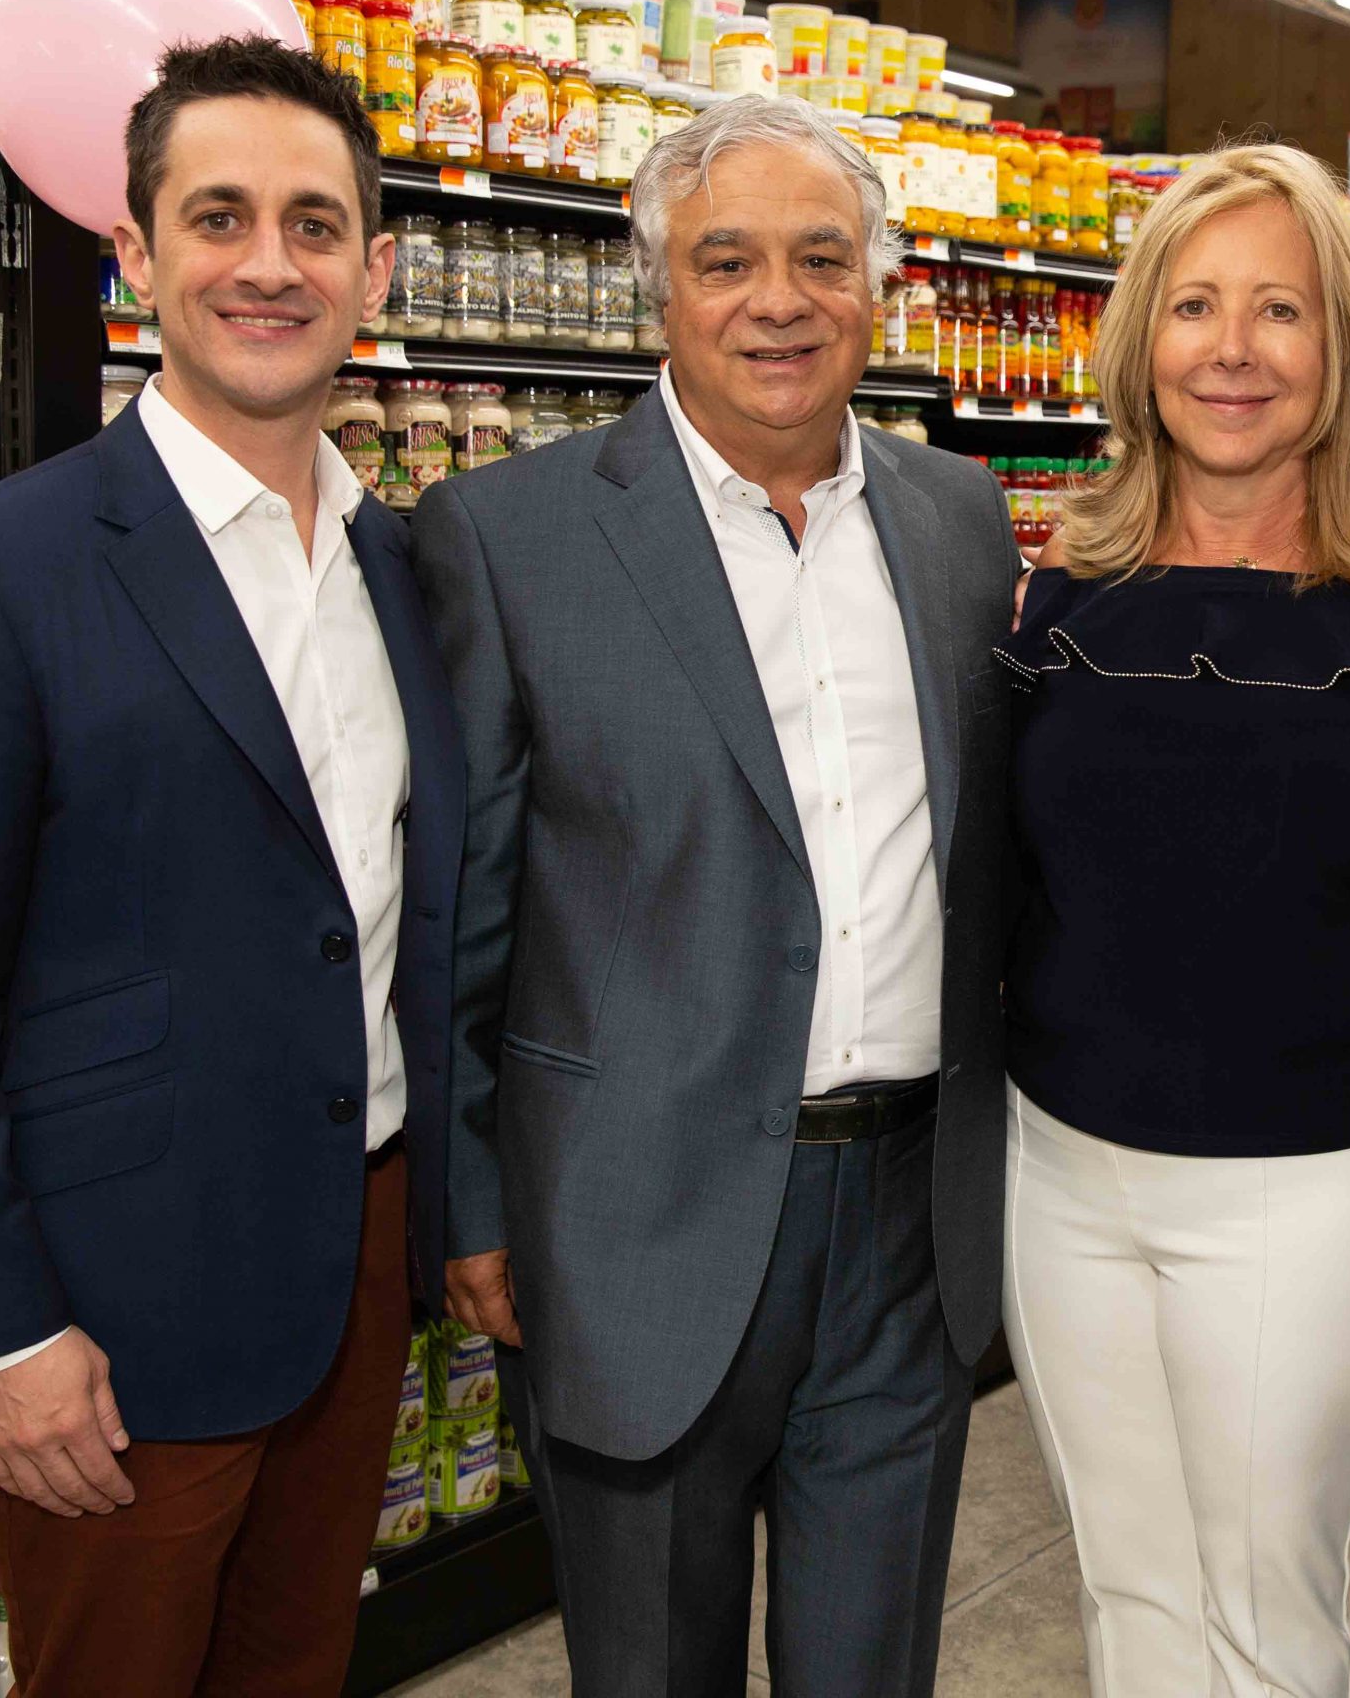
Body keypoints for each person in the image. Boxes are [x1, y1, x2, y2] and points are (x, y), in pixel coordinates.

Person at [0, 36, 464, 1697]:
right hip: (108, 1319)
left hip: (351, 1272)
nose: (272, 264)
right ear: (135, 256)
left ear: (375, 268)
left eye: (317, 224)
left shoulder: (402, 564)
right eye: (219, 217)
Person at [415, 94, 1017, 1698]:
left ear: (879, 287)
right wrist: (472, 1201)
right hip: (631, 1218)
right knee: (649, 1668)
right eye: (726, 259)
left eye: (824, 257)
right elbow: (464, 909)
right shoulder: (510, 534)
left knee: (871, 1667)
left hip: (906, 1220)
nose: (779, 300)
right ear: (659, 290)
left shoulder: (960, 520)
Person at [995, 144, 1350, 1698]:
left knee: (1263, 1606)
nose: (1232, 350)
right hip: (1064, 1169)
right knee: (1131, 1593)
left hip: (1301, 1186)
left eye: (1279, 312)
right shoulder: (1063, 595)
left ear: (1341, 350)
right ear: (1138, 341)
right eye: (1193, 306)